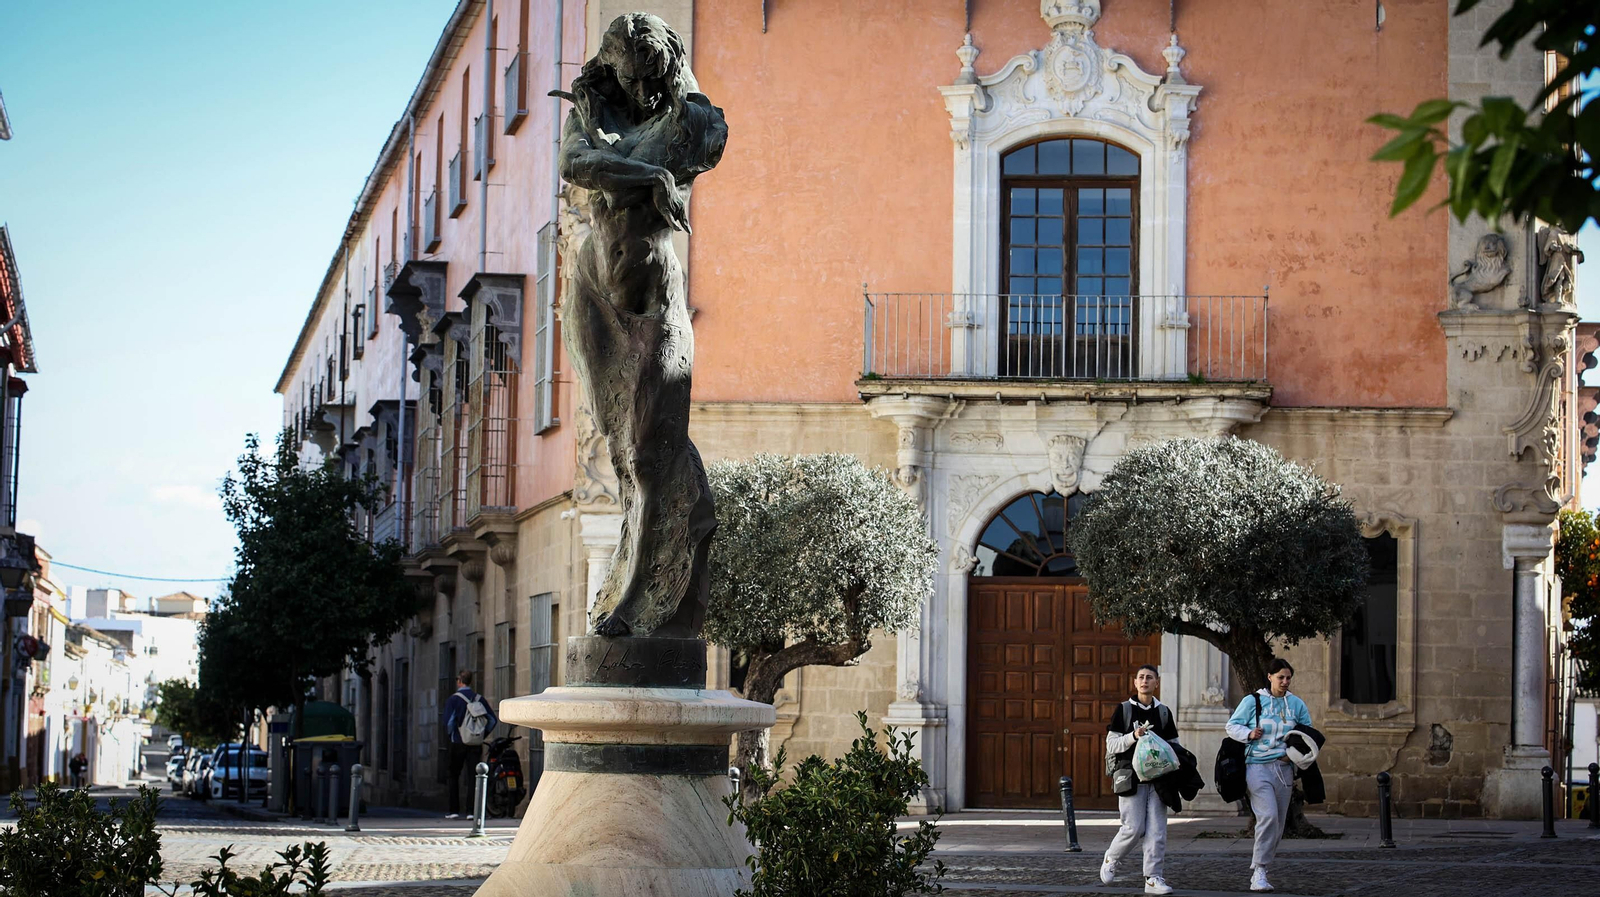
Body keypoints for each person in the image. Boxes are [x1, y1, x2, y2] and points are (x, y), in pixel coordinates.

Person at [1225, 658, 1314, 893]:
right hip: (1256, 767)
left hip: (1284, 770)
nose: (1285, 682)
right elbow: (1231, 726)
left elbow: (1308, 734)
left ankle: (1263, 867)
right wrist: (1249, 733)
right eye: (1280, 677)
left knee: (1278, 822)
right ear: (1270, 677)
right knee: (1268, 816)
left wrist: (1291, 755)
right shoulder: (1253, 701)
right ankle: (1259, 870)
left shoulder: (1296, 704)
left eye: (1288, 678)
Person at [1100, 664, 1179, 896]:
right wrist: (1134, 736)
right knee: (1133, 828)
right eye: (1141, 677)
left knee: (1157, 831)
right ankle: (1111, 858)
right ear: (1135, 683)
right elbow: (1112, 745)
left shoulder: (1163, 712)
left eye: (1150, 677)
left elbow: (1174, 745)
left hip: (1159, 780)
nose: (1145, 681)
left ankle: (1153, 878)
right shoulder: (1124, 710)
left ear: (1157, 683)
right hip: (1131, 778)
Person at [442, 670, 498, 820]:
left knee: (453, 775)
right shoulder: (479, 699)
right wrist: (481, 735)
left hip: (458, 742)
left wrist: (453, 735)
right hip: (475, 743)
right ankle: (471, 811)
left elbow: (449, 723)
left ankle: (454, 810)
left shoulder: (454, 700)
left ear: (459, 680)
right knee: (474, 776)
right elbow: (492, 720)